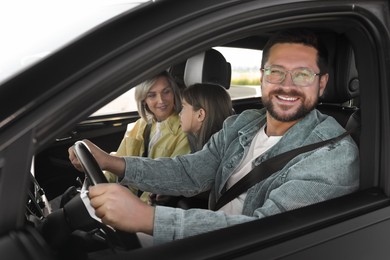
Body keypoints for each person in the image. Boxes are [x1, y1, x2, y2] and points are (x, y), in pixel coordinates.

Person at [69, 29, 360, 246]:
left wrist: (148, 218)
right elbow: (191, 171)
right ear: (261, 77)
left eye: (303, 75)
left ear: (322, 83)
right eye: (276, 72)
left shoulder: (333, 155)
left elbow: (264, 234)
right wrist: (113, 162)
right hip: (206, 238)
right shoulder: (244, 123)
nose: (287, 85)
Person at [104, 71, 191, 203]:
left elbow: (167, 181)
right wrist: (98, 185)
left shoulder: (183, 130)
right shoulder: (140, 125)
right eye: (152, 95)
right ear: (144, 99)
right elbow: (115, 164)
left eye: (166, 92)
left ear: (174, 93)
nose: (161, 100)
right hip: (122, 200)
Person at [149, 83, 234, 207]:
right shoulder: (196, 140)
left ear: (200, 115)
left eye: (183, 108)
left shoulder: (218, 152)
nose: (179, 114)